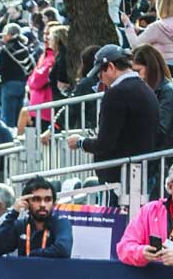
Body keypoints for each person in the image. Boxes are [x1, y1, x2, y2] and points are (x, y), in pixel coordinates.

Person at [66, 45, 160, 180]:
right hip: (141, 173)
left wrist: (81, 142)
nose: (99, 78)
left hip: (118, 177)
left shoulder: (115, 94)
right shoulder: (146, 89)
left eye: (100, 73)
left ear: (110, 67)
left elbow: (105, 144)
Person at [131, 44, 173, 153]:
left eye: (137, 71)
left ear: (151, 68)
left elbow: (160, 131)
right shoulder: (142, 91)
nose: (134, 76)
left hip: (165, 158)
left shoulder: (169, 92)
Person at [0, 23, 34, 126]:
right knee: (18, 116)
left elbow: (0, 69)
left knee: (8, 118)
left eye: (5, 34)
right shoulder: (24, 48)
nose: (3, 37)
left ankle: (10, 140)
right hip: (22, 85)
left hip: (8, 85)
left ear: (9, 35)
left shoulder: (5, 50)